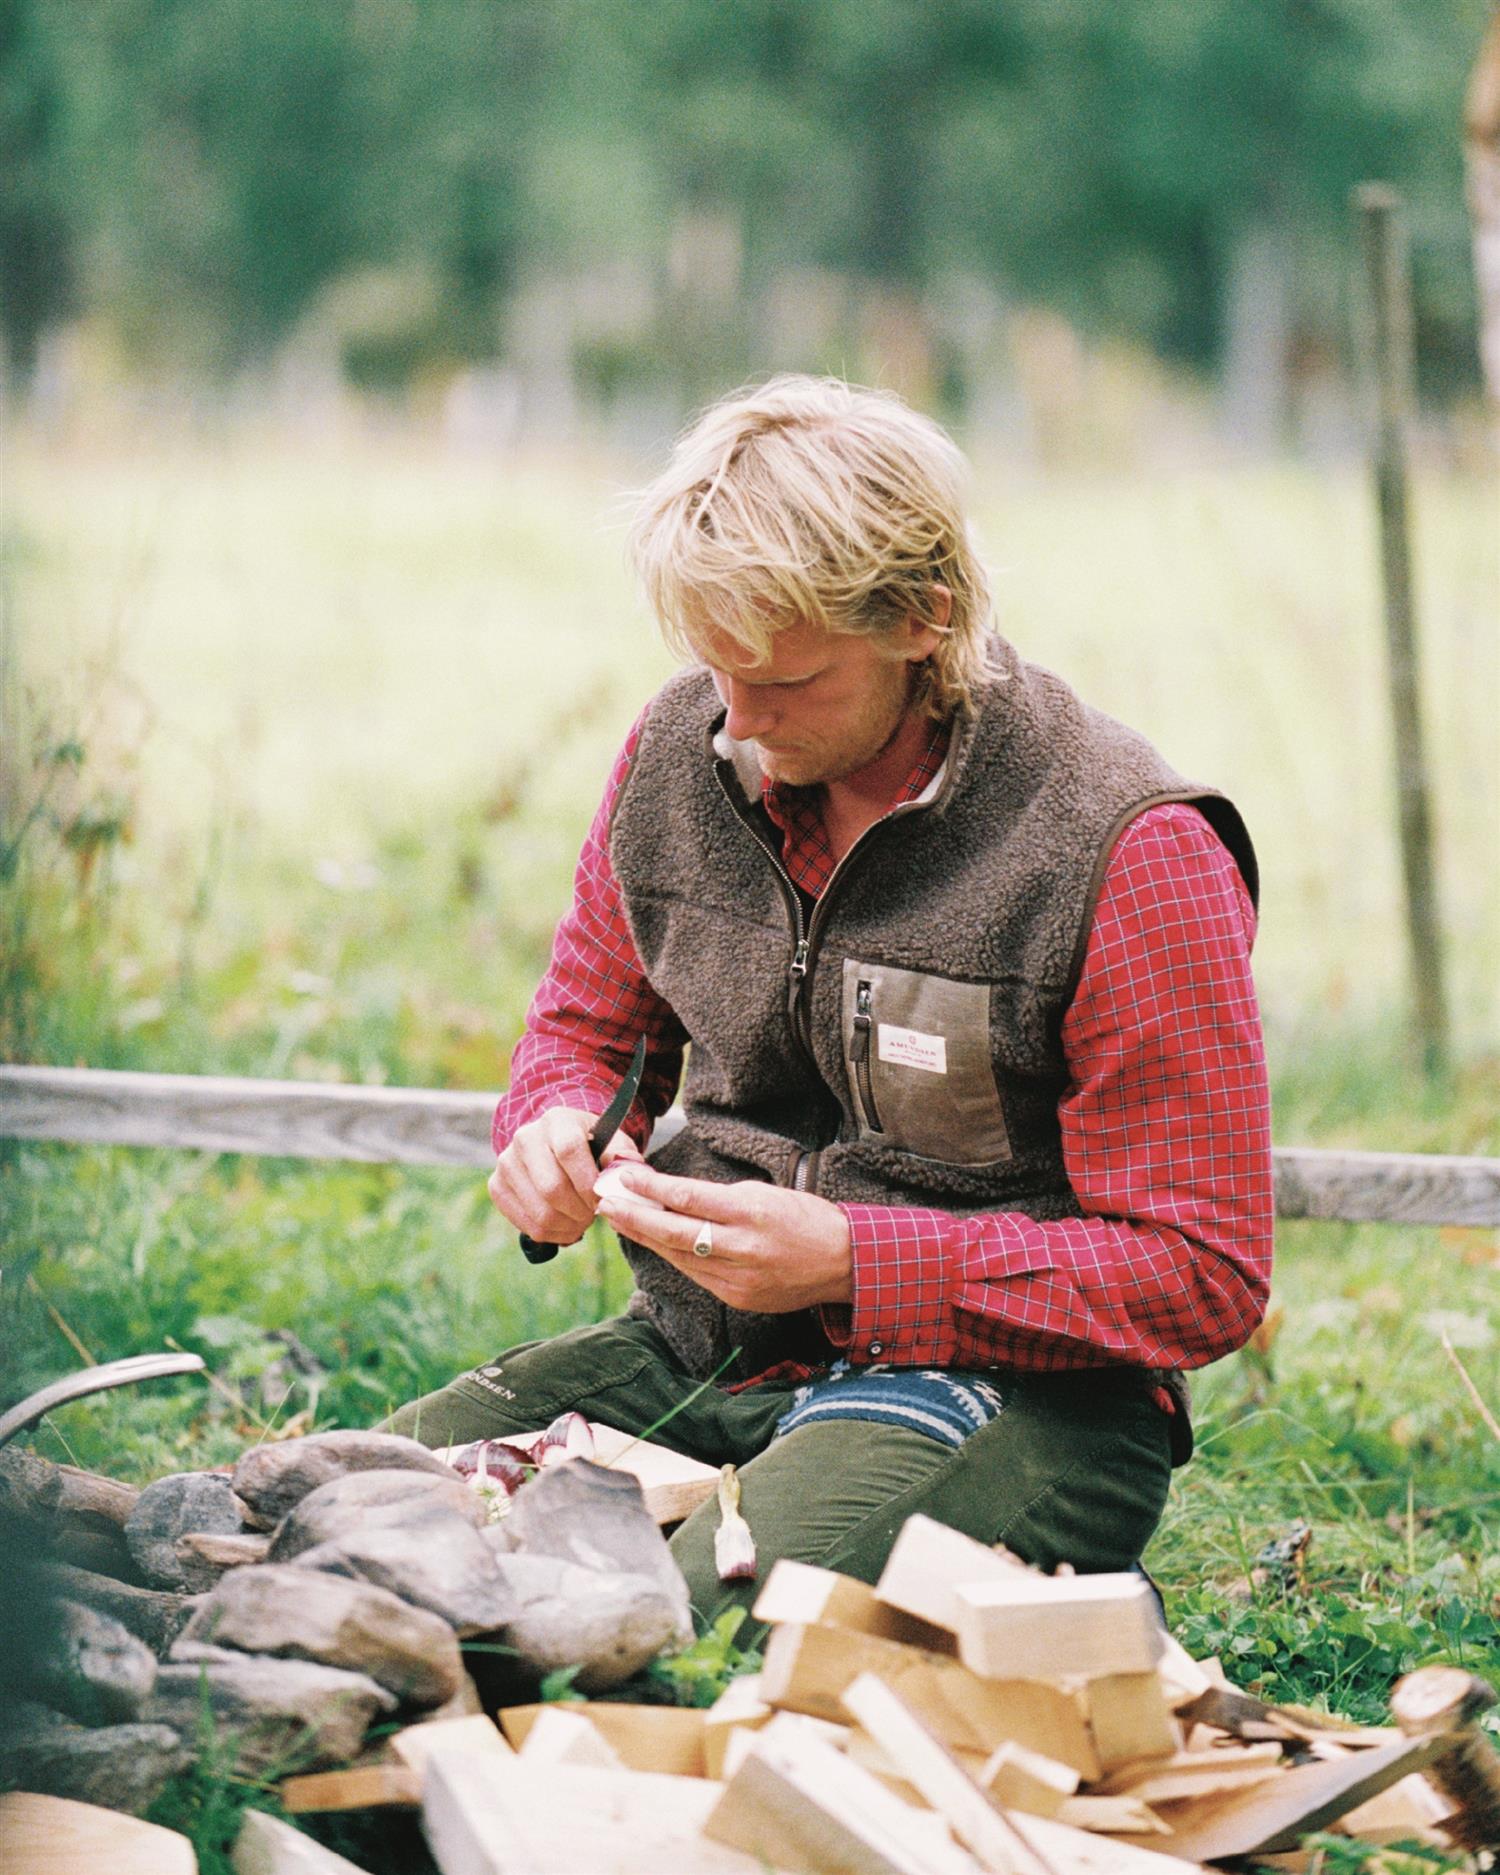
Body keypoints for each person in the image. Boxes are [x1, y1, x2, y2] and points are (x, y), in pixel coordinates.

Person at [387, 374, 1273, 1627]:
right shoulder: (679, 754)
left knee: (646, 1626)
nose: (736, 724)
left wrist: (861, 1262)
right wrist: (554, 1124)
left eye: (789, 683)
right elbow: (588, 1026)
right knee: (356, 1511)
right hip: (710, 1352)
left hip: (1016, 1396)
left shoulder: (1130, 853)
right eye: (713, 670)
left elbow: (1202, 1274)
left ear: (925, 617)